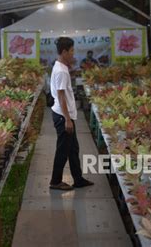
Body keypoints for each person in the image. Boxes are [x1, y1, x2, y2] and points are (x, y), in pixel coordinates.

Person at [49, 37, 94, 191]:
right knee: (63, 150)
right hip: (63, 116)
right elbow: (61, 95)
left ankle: (78, 179)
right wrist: (67, 119)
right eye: (72, 51)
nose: (74, 54)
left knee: (73, 149)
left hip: (63, 115)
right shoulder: (61, 71)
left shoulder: (60, 67)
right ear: (64, 51)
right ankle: (55, 181)